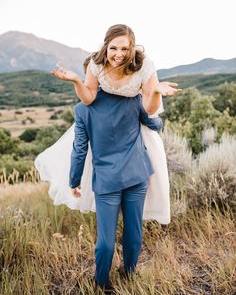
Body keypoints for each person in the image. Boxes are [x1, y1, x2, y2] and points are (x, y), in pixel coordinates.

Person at [35, 24, 181, 224]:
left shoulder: (143, 64)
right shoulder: (96, 64)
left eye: (125, 49)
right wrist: (77, 80)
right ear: (106, 46)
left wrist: (155, 91)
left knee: (148, 176)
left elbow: (149, 110)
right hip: (114, 135)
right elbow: (88, 98)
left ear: (132, 48)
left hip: (135, 126)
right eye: (114, 48)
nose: (119, 54)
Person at [70, 87, 163, 291]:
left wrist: (74, 180)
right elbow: (156, 124)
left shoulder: (82, 109)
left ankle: (101, 281)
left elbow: (79, 149)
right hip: (136, 174)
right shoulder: (132, 99)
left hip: (107, 180)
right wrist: (153, 101)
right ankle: (129, 273)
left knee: (105, 238)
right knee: (133, 230)